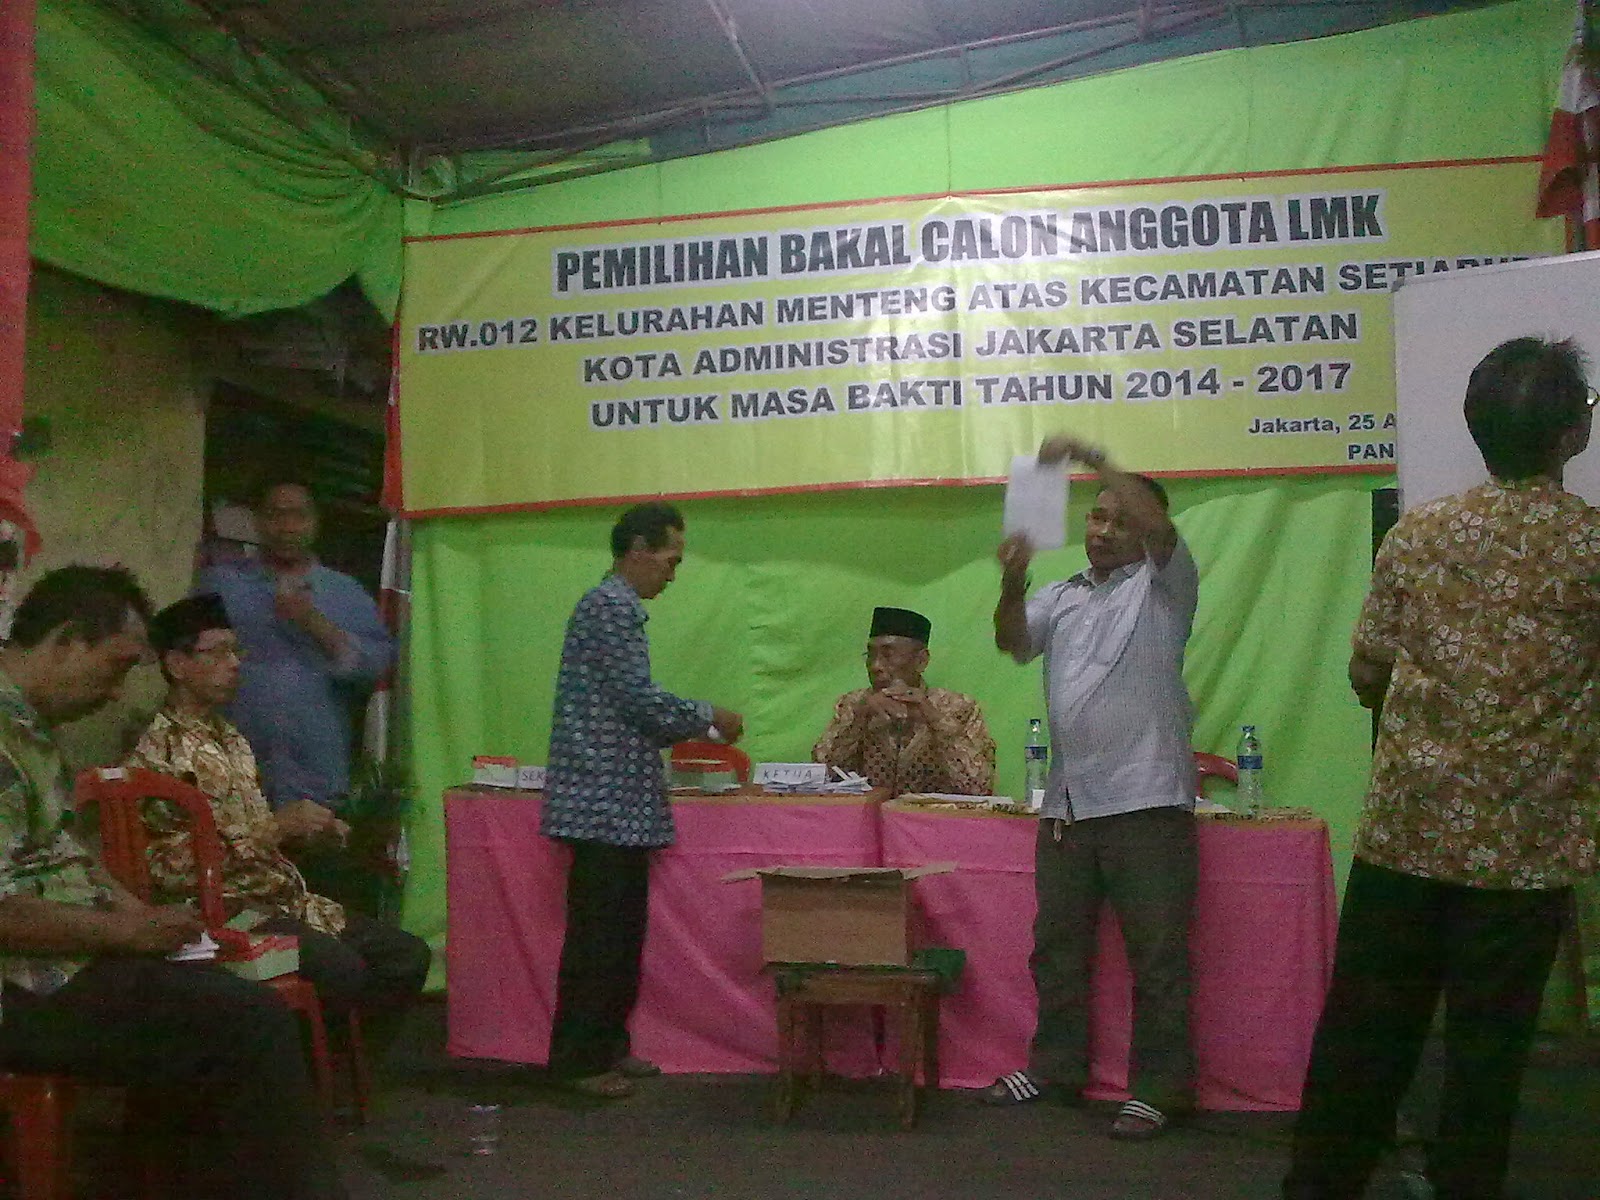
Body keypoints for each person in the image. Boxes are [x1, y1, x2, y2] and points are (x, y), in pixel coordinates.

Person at [1283, 337, 1600, 1200]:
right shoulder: (1590, 546)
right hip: (1522, 855)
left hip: (1406, 836)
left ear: (1474, 425)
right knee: (1487, 1063)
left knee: (1362, 1045)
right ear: (1570, 436)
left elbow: (1367, 670)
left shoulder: (1420, 533)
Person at [0, 566, 345, 1199]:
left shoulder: (29, 730)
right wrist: (125, 933)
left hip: (69, 959)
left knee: (222, 991)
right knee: (249, 1024)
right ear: (67, 641)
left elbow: (65, 853)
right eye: (115, 668)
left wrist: (139, 915)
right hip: (22, 986)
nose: (115, 694)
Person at [988, 435, 1201, 1141]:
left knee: (1157, 957)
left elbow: (1160, 527)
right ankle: (1055, 1069)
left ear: (1146, 528)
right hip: (1069, 805)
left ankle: (1160, 1089)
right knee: (1056, 949)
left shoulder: (1165, 585)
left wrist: (1090, 455)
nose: (1103, 530)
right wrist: (1013, 581)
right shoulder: (1064, 594)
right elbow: (1012, 643)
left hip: (1146, 800)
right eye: (1096, 516)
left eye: (1119, 519)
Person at [127, 594, 430, 1057]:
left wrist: (309, 832)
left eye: (236, 651)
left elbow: (259, 835)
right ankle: (306, 1073)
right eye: (217, 653)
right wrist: (273, 830)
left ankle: (340, 1067)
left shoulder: (230, 739)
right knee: (341, 969)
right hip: (225, 912)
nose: (234, 665)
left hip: (283, 897)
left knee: (406, 956)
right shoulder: (157, 754)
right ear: (176, 665)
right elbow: (167, 869)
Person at [541, 502, 744, 1099]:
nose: (673, 574)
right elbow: (637, 699)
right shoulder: (609, 607)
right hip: (602, 804)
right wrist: (709, 717)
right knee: (599, 939)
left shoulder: (613, 608)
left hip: (617, 804)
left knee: (621, 935)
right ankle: (578, 1061)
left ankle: (607, 1044)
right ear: (637, 550)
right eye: (670, 560)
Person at [198, 478, 393, 812]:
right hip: (233, 770)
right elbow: (188, 660)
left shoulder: (346, 593)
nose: (287, 527)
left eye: (299, 515)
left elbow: (376, 668)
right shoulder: (222, 585)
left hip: (317, 772)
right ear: (257, 521)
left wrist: (314, 623)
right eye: (276, 515)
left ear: (316, 522)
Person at [812, 605, 996, 795]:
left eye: (888, 655)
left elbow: (979, 788)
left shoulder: (959, 708)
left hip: (933, 814)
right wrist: (858, 720)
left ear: (921, 661)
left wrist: (934, 719)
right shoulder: (852, 704)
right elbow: (820, 779)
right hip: (868, 814)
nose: (875, 666)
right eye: (870, 655)